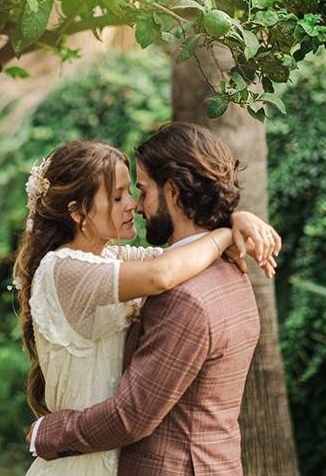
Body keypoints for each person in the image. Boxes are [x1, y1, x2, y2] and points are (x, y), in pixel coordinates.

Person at [15, 127, 278, 476]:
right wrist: (228, 230)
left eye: (137, 192)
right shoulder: (67, 269)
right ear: (78, 213)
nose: (134, 207)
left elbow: (130, 416)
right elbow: (161, 271)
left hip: (115, 452)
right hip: (85, 461)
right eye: (119, 196)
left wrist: (233, 220)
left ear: (172, 191)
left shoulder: (167, 283)